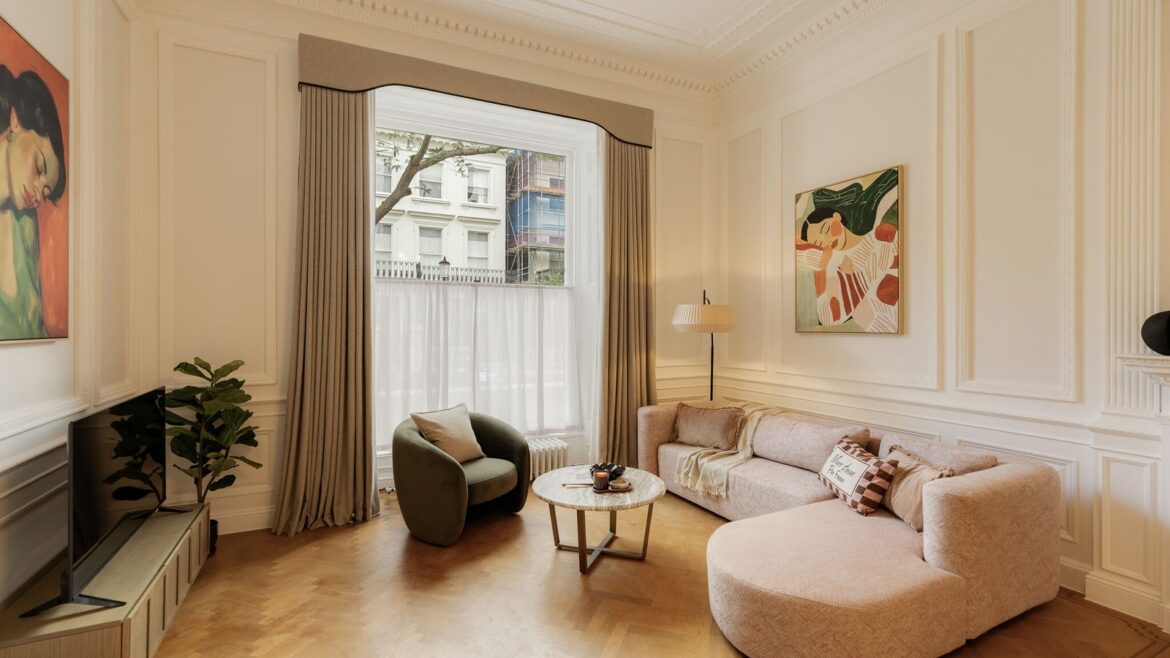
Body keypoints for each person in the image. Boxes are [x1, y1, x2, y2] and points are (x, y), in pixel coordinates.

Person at [0, 65, 67, 339]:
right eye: (40, 167)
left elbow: (29, 322)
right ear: (15, 120)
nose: (39, 192)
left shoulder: (23, 219)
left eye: (47, 190)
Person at [796, 169, 899, 333]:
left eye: (826, 229)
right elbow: (829, 316)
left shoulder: (881, 237)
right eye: (820, 243)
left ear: (836, 217)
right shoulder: (833, 267)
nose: (828, 240)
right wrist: (834, 265)